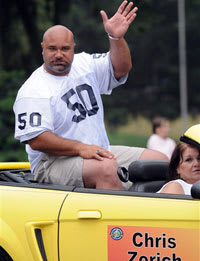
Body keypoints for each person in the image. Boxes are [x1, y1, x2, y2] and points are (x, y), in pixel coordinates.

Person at [13, 1, 168, 191]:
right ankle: (122, 219)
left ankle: (157, 216)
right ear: (43, 48)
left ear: (73, 48)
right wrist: (80, 148)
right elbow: (37, 139)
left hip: (96, 151)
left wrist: (116, 38)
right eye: (52, 49)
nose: (59, 54)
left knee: (160, 162)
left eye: (65, 48)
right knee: (105, 168)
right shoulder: (33, 90)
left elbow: (121, 68)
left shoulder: (84, 64)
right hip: (52, 163)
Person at [158, 124, 200, 195]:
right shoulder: (175, 186)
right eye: (188, 160)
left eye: (199, 158)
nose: (197, 164)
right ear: (177, 168)